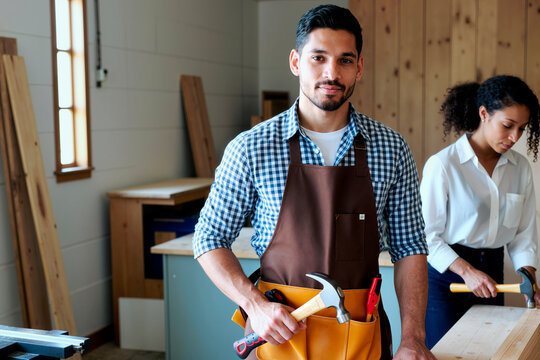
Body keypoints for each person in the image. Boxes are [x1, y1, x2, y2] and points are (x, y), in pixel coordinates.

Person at [193, 4, 435, 359]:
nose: (331, 73)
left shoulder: (391, 148)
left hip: (361, 335)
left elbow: (411, 247)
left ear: (359, 68)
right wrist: (255, 306)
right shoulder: (251, 147)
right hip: (281, 334)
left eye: (345, 60)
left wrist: (412, 339)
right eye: (318, 58)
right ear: (295, 62)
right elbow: (209, 237)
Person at [421, 75, 540, 349]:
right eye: (508, 126)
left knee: (488, 351)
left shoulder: (520, 168)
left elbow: (523, 235)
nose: (515, 137)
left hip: (492, 276)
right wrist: (467, 271)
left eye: (522, 128)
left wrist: (528, 278)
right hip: (447, 278)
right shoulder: (443, 165)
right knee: (446, 353)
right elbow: (427, 237)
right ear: (484, 114)